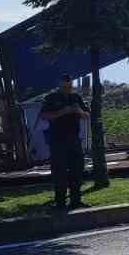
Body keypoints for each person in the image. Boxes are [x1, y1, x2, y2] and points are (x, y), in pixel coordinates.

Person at [39, 74, 91, 209]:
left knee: (77, 170)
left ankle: (76, 200)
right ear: (59, 85)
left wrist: (78, 110)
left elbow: (87, 115)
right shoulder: (51, 98)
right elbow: (44, 115)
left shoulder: (76, 97)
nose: (67, 89)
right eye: (64, 87)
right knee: (59, 172)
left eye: (69, 87)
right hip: (57, 140)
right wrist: (63, 111)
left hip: (74, 138)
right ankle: (60, 202)